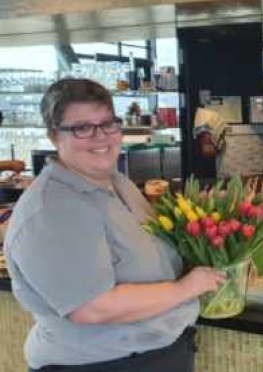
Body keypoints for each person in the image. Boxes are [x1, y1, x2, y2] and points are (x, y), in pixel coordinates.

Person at [4, 79, 226, 372]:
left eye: (108, 124)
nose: (101, 137)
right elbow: (93, 308)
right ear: (54, 136)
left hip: (154, 356)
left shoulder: (117, 183)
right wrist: (187, 287)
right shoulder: (52, 209)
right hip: (102, 365)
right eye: (82, 128)